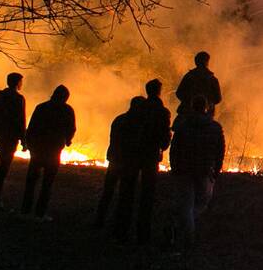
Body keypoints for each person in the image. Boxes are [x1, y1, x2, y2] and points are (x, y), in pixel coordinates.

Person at [112, 81, 172, 244]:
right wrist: (163, 144)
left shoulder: (137, 108)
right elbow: (165, 139)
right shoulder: (162, 112)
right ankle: (142, 234)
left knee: (126, 192)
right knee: (147, 195)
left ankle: (121, 231)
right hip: (150, 158)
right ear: (159, 92)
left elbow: (126, 130)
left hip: (132, 156)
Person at [169, 95, 225, 247]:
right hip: (204, 171)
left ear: (192, 107)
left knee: (186, 205)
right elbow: (220, 151)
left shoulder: (183, 126)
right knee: (202, 201)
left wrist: (174, 167)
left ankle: (183, 229)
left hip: (184, 171)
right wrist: (216, 170)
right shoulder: (214, 127)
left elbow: (174, 149)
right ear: (206, 107)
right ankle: (187, 237)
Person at [21, 85, 76, 220]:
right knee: (47, 183)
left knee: (31, 181)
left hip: (38, 150)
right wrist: (68, 140)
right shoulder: (67, 110)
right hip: (54, 150)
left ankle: (25, 211)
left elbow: (32, 127)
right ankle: (40, 213)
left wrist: (28, 143)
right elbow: (71, 128)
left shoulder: (42, 107)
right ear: (65, 97)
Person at [94, 96, 144, 230]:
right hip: (129, 163)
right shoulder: (138, 124)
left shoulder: (119, 119)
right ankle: (120, 226)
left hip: (115, 160)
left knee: (108, 192)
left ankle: (99, 220)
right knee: (126, 196)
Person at [0, 72, 26, 211]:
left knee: (3, 167)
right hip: (11, 138)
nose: (22, 84)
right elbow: (21, 121)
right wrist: (23, 140)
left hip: (1, 137)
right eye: (21, 81)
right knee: (4, 168)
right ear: (17, 83)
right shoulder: (18, 99)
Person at [175, 51, 221, 116]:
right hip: (206, 116)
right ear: (207, 62)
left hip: (187, 115)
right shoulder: (212, 80)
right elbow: (218, 99)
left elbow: (179, 93)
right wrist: (208, 104)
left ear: (196, 62)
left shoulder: (189, 77)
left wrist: (188, 102)